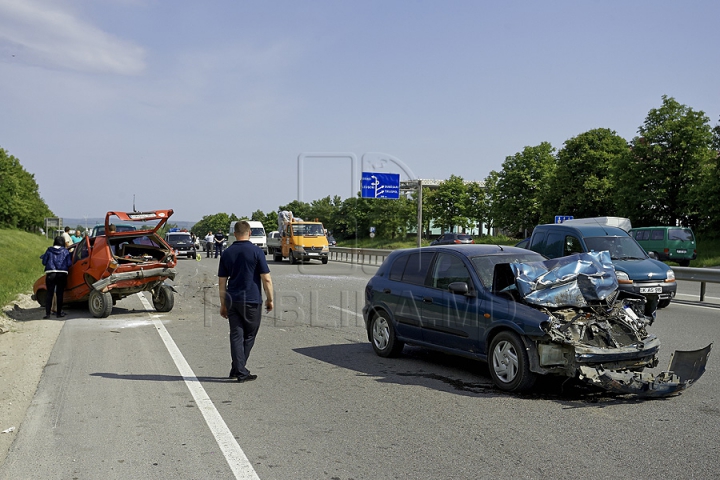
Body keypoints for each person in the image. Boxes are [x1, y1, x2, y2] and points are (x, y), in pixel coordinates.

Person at [218, 221, 273, 382]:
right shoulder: (256, 252)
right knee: (249, 335)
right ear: (249, 233)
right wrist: (270, 299)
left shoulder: (227, 253)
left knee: (236, 335)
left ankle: (236, 369)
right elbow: (266, 279)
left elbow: (222, 281)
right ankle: (241, 370)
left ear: (235, 234)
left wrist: (223, 304)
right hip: (252, 300)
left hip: (232, 300)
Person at [40, 236, 73, 319]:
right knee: (60, 294)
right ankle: (59, 313)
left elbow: (44, 262)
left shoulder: (49, 250)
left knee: (49, 293)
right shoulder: (65, 251)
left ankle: (47, 314)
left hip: (51, 273)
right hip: (62, 274)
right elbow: (69, 263)